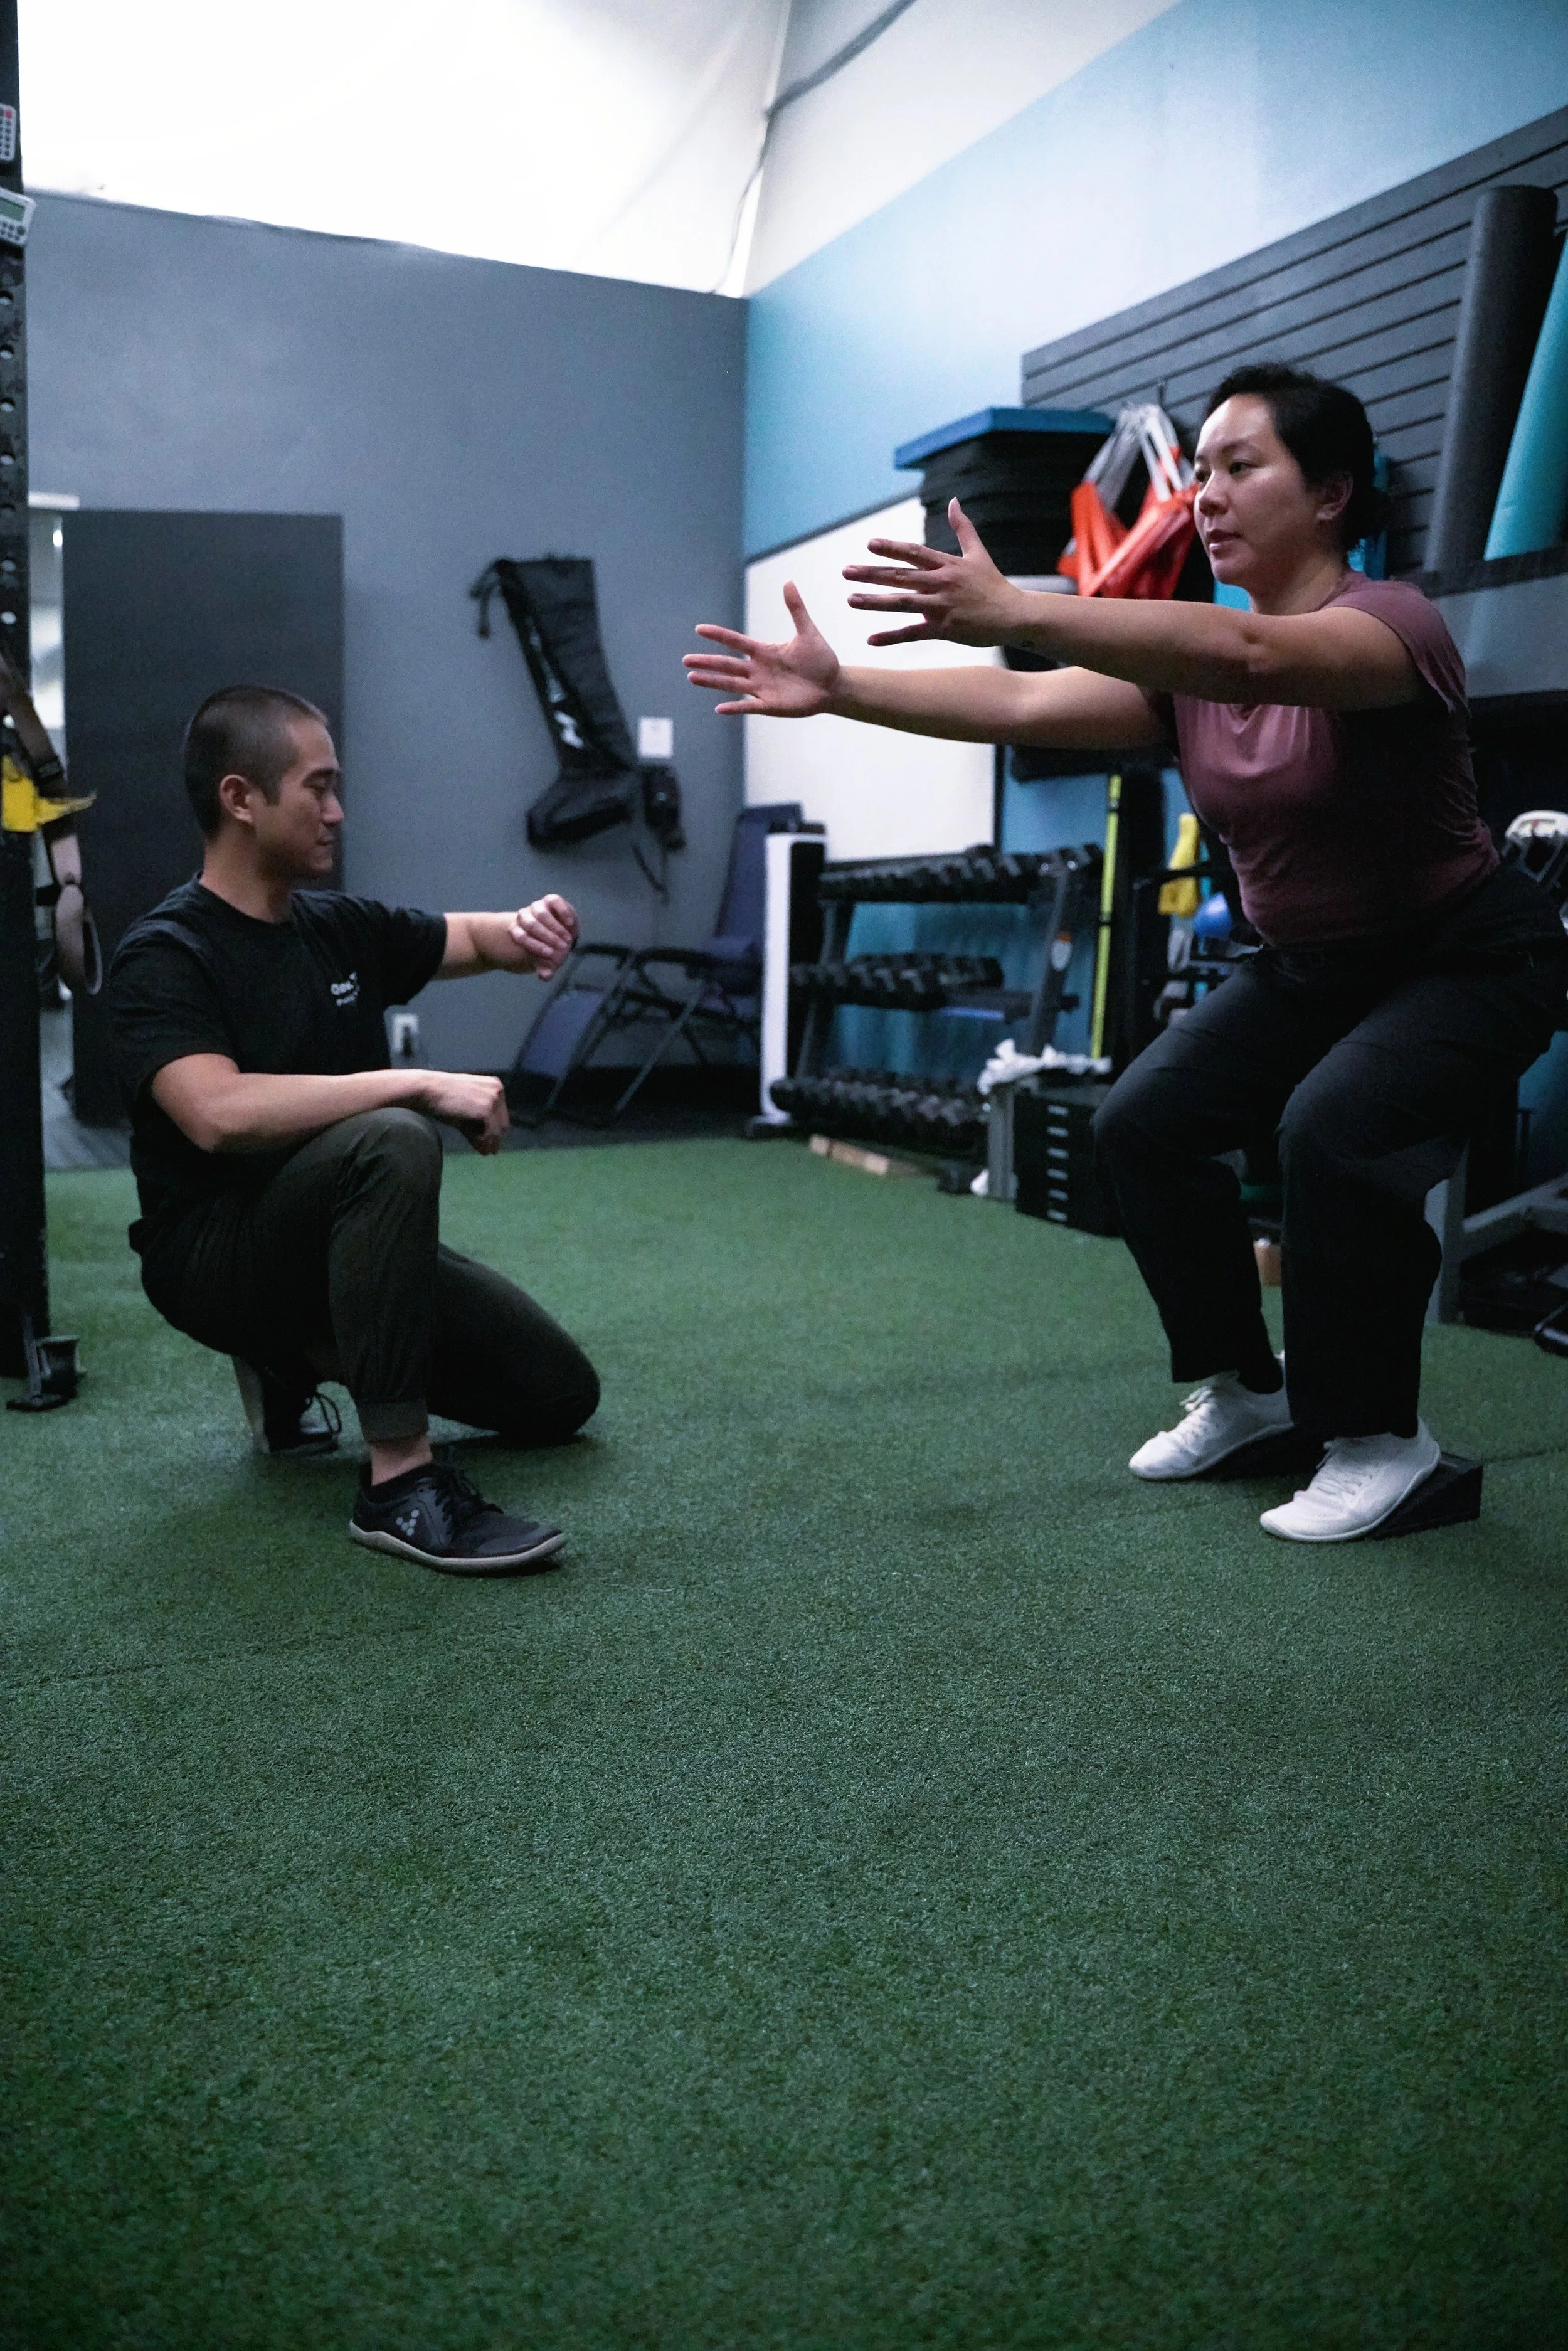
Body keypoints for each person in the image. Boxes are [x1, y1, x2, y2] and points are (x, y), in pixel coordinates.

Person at [685, 364, 1568, 1542]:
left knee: (1337, 1128)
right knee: (1143, 1123)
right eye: (1198, 469)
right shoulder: (1184, 677)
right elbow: (1022, 712)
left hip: (1470, 956)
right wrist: (841, 687)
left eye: (1241, 465)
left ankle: (1382, 1443)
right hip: (1311, 963)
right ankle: (1253, 1394)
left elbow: (1256, 661)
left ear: (1332, 494)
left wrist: (1020, 611)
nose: (1206, 492)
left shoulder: (1390, 627)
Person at [109, 684, 601, 1575]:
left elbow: (474, 938)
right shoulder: (166, 954)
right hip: (213, 1257)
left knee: (559, 1395)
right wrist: (418, 1086)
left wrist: (526, 928)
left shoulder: (341, 930)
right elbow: (215, 1116)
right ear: (241, 799)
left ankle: (298, 1355)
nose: (338, 812)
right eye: (318, 788)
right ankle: (399, 1486)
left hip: (334, 1237)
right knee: (393, 1137)